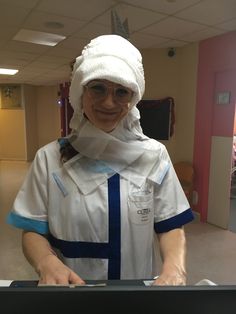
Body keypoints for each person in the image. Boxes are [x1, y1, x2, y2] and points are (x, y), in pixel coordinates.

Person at [7, 34, 194, 286]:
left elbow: (170, 224)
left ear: (132, 98)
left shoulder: (153, 155)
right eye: (97, 88)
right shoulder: (49, 159)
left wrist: (175, 268)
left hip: (134, 292)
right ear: (80, 92)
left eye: (121, 91)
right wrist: (46, 262)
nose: (109, 102)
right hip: (71, 291)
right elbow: (32, 230)